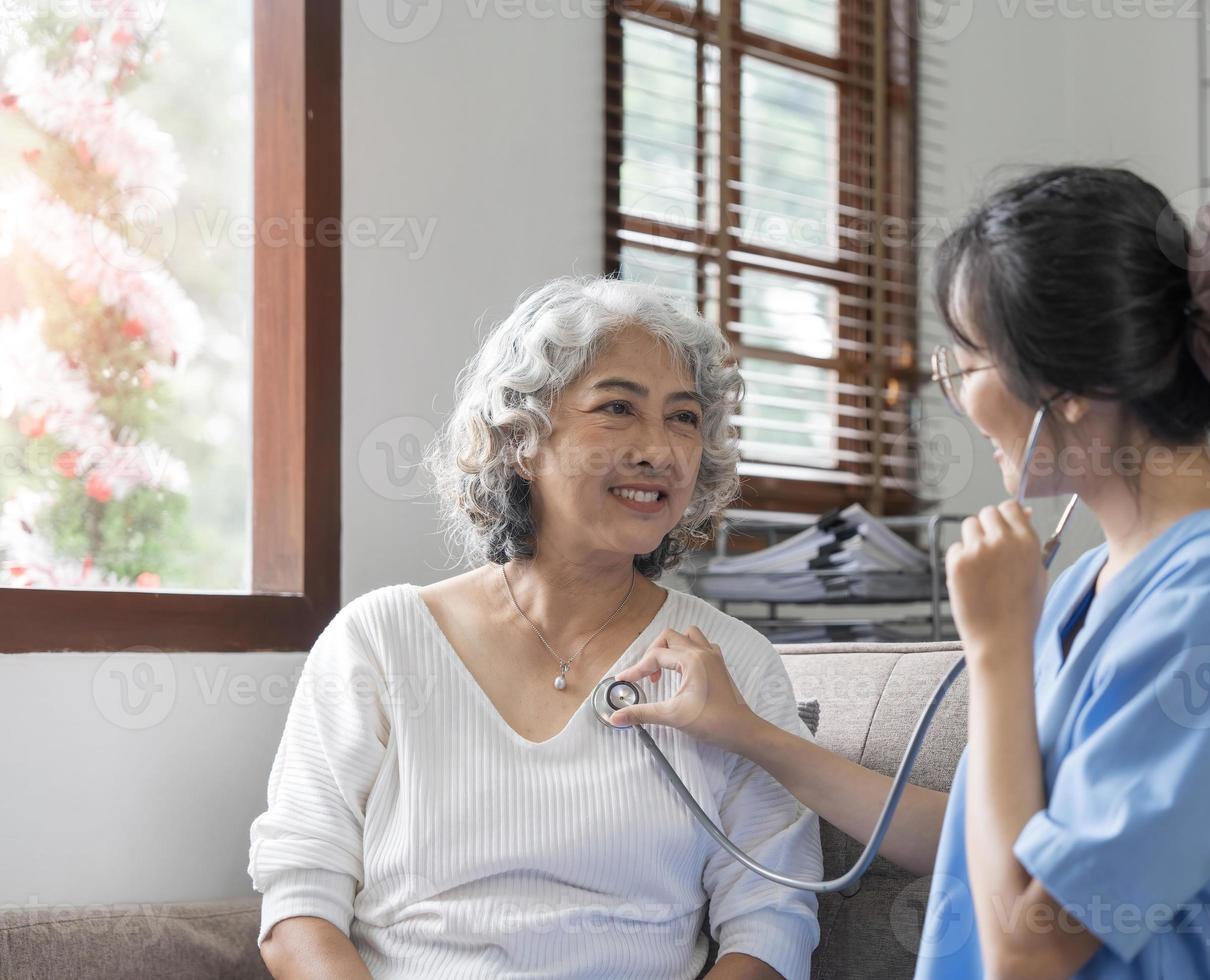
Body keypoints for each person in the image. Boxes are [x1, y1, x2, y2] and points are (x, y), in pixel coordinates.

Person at [610, 166, 1210, 978]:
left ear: (1066, 386)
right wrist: (751, 734)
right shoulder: (1100, 579)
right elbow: (978, 834)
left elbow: (1029, 946)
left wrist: (997, 653)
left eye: (968, 357)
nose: (951, 391)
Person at [248, 277, 822, 980]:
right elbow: (298, 906)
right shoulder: (379, 639)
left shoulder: (733, 663)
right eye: (618, 408)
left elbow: (772, 926)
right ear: (522, 438)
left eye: (684, 418)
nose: (660, 450)